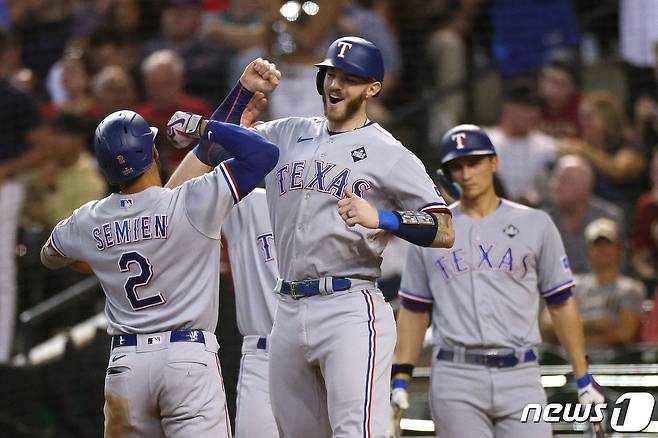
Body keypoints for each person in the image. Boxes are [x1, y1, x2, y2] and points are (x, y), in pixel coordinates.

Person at [167, 36, 455, 438]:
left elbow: (443, 227)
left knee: (358, 431)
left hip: (349, 305)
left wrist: (383, 217)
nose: (336, 86)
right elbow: (215, 150)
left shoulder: (389, 152)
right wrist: (243, 91)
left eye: (350, 79)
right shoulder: (288, 133)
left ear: (372, 87)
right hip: (286, 309)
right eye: (330, 75)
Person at [39, 62, 280, 435]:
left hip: (125, 367)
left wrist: (103, 263)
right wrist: (210, 125)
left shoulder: (87, 220)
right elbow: (261, 154)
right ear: (153, 154)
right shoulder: (189, 202)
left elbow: (50, 256)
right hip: (187, 359)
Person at [389, 125, 603, 437]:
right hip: (455, 374)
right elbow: (415, 310)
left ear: (493, 162)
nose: (465, 173)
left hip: (521, 373)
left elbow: (561, 303)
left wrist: (583, 377)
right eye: (456, 167)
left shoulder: (535, 223)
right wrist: (401, 378)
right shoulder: (432, 233)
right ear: (447, 174)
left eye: (473, 162)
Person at [541, 218, 646, 348]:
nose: (602, 249)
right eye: (596, 245)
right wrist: (599, 325)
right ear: (588, 251)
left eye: (608, 244)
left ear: (619, 249)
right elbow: (547, 325)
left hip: (612, 363)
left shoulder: (631, 288)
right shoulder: (571, 284)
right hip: (568, 362)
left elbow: (623, 335)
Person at [544, 154, 624, 274]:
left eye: (563, 180)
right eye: (554, 179)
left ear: (584, 186)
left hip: (598, 288)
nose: (555, 185)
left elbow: (619, 267)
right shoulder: (544, 220)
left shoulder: (608, 217)